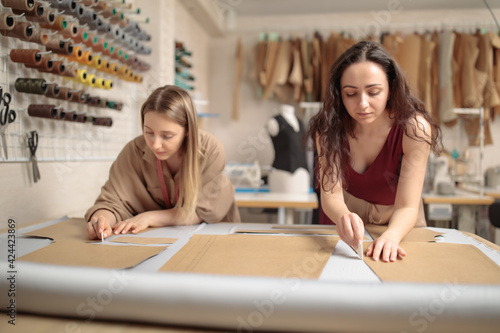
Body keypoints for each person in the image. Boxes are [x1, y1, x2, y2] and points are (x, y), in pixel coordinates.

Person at [307, 41, 441, 262]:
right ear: (339, 94)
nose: (362, 104)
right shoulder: (328, 129)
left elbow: (408, 206)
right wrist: (344, 216)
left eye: (374, 92)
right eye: (351, 94)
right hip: (343, 222)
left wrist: (392, 236)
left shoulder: (414, 129)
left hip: (399, 224)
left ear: (391, 88)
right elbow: (331, 196)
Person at [85, 85, 240, 239]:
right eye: (149, 132)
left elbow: (202, 212)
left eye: (167, 136)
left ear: (187, 130)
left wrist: (149, 218)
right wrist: (102, 220)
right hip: (155, 241)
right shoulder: (134, 152)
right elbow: (111, 202)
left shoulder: (210, 150)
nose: (155, 144)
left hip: (214, 237)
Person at [266, 104, 310, 193]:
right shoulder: (274, 122)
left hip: (303, 174)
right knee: (282, 204)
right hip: (283, 172)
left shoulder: (300, 122)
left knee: (301, 205)